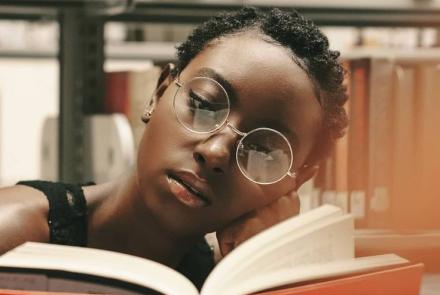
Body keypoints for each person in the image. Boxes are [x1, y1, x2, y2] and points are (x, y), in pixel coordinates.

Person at [0, 7, 347, 289]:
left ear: (295, 181)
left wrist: (263, 265)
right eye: (204, 104)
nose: (215, 153)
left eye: (263, 149)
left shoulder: (222, 279)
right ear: (159, 92)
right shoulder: (15, 234)